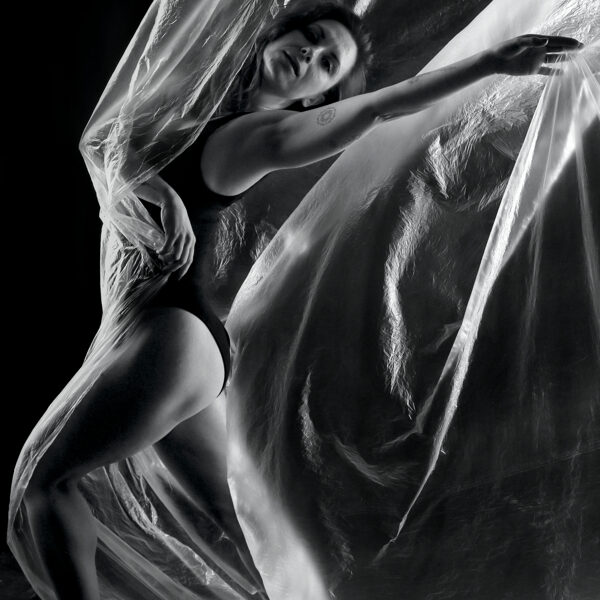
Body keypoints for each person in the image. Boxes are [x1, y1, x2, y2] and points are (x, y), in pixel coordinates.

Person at [14, 1, 582, 599]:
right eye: (310, 36)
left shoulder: (262, 135)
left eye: (326, 63)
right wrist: (152, 186)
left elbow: (382, 105)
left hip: (169, 336)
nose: (309, 55)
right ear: (273, 37)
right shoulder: (188, 114)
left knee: (45, 483)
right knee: (244, 527)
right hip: (173, 339)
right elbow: (109, 144)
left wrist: (490, 62)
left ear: (318, 98)